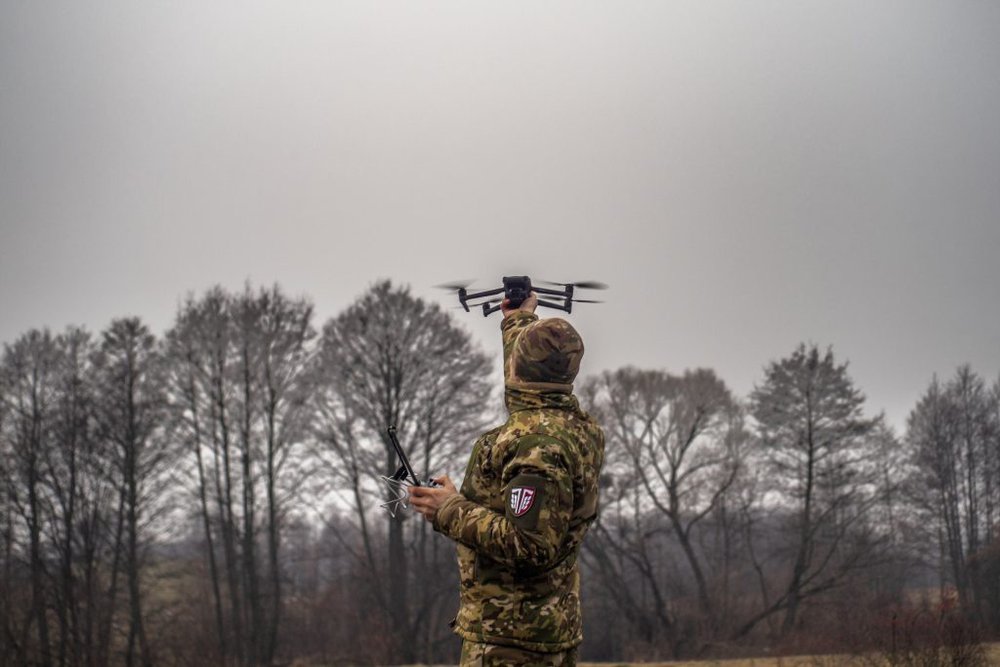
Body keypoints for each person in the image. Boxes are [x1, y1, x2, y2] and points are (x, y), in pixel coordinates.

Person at [409, 292, 606, 666]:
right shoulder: (577, 426)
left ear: (523, 370)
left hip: (512, 644)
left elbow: (530, 545)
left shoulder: (535, 447)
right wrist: (517, 319)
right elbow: (526, 386)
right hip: (544, 629)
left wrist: (449, 509)